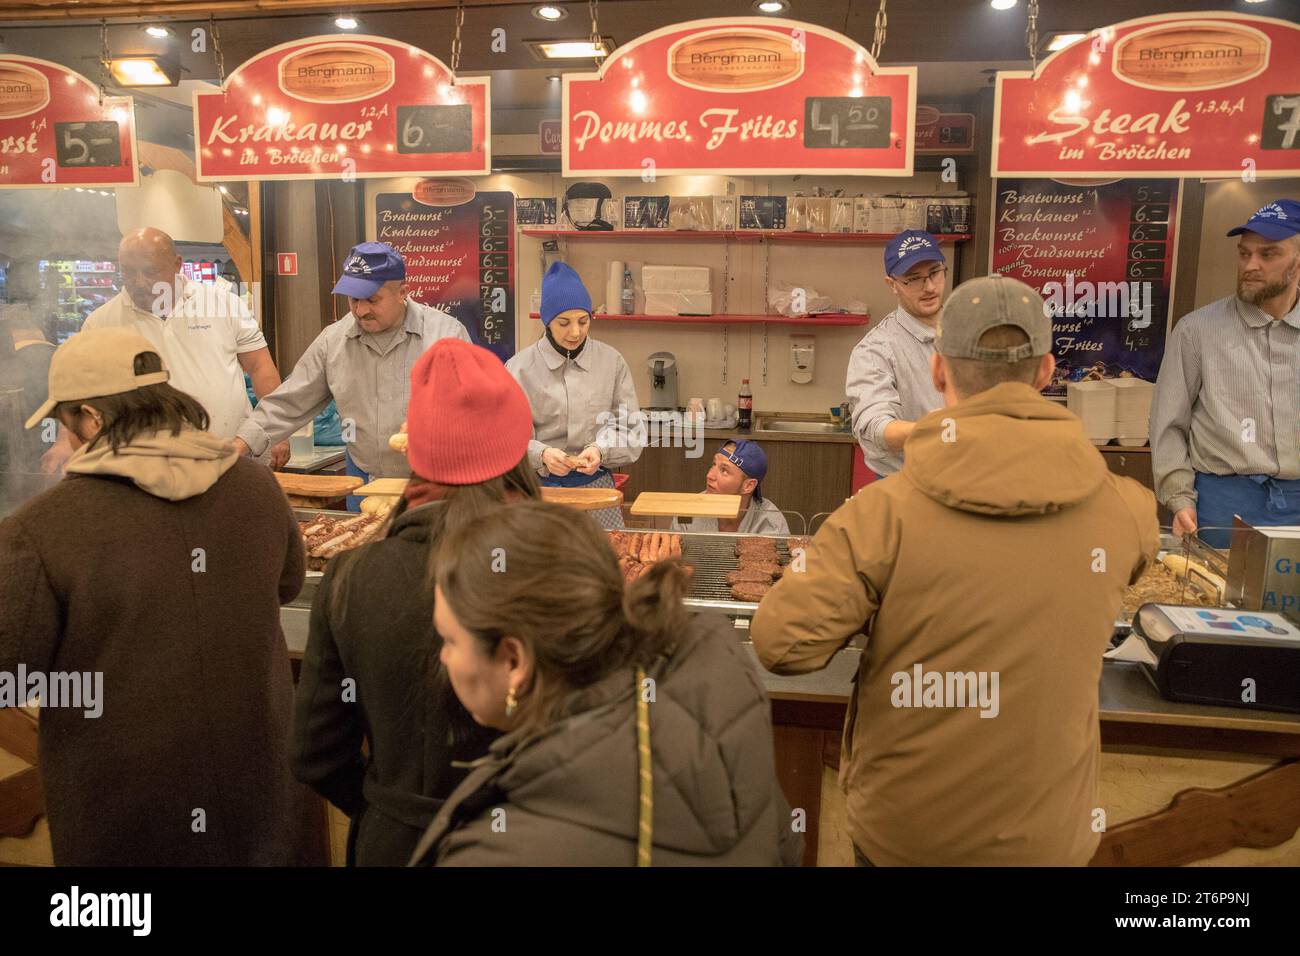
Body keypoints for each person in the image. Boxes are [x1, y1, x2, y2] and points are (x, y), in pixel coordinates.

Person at [752, 275, 1159, 866]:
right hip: (1047, 840)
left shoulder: (879, 515)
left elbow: (780, 643)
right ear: (1047, 373)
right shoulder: (1127, 507)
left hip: (906, 834)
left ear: (939, 371)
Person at [0, 328, 306, 865]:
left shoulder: (41, 529)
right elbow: (287, 585)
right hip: (258, 774)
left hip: (123, 803)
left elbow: (11, 676)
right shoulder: (256, 486)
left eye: (66, 422)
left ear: (91, 419)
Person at [409, 500, 802, 866]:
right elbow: (786, 844)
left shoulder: (497, 852)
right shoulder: (719, 697)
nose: (444, 657)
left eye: (450, 639)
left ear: (515, 660)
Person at [291, 339, 538, 866]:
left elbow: (314, 754)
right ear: (515, 448)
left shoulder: (352, 577)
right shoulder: (562, 568)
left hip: (396, 845)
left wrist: (389, 809)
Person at [40, 227, 290, 473]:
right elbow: (79, 389)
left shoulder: (222, 303)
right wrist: (63, 441)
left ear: (177, 264)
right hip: (146, 468)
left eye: (150, 271)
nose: (140, 282)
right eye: (129, 272)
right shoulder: (101, 322)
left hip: (231, 452)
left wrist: (277, 430)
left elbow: (260, 367)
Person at [234, 242, 470, 493]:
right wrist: (238, 446)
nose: (361, 310)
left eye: (372, 299)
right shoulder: (332, 341)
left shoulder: (447, 335)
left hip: (435, 482)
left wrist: (439, 425)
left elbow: (475, 409)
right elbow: (288, 403)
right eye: (354, 299)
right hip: (364, 478)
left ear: (403, 292)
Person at [1151, 199, 1300, 548]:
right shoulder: (1196, 332)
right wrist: (1179, 498)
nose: (1251, 265)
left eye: (1268, 254)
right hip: (1221, 507)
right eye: (1244, 254)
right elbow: (1168, 426)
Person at [506, 261, 645, 529]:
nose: (576, 332)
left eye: (583, 321)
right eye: (564, 322)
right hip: (537, 491)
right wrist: (541, 454)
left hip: (597, 492)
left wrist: (600, 450)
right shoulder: (519, 368)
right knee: (541, 566)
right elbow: (503, 438)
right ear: (547, 322)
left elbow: (632, 431)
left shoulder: (611, 362)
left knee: (604, 563)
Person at [845, 229, 949, 478]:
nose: (929, 287)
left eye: (935, 272)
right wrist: (936, 430)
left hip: (968, 481)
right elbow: (874, 426)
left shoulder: (970, 329)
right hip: (906, 484)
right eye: (913, 279)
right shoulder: (875, 350)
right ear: (892, 284)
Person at [670, 439, 789, 535]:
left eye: (724, 470)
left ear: (748, 485)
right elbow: (671, 561)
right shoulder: (687, 513)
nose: (709, 475)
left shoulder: (771, 523)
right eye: (714, 464)